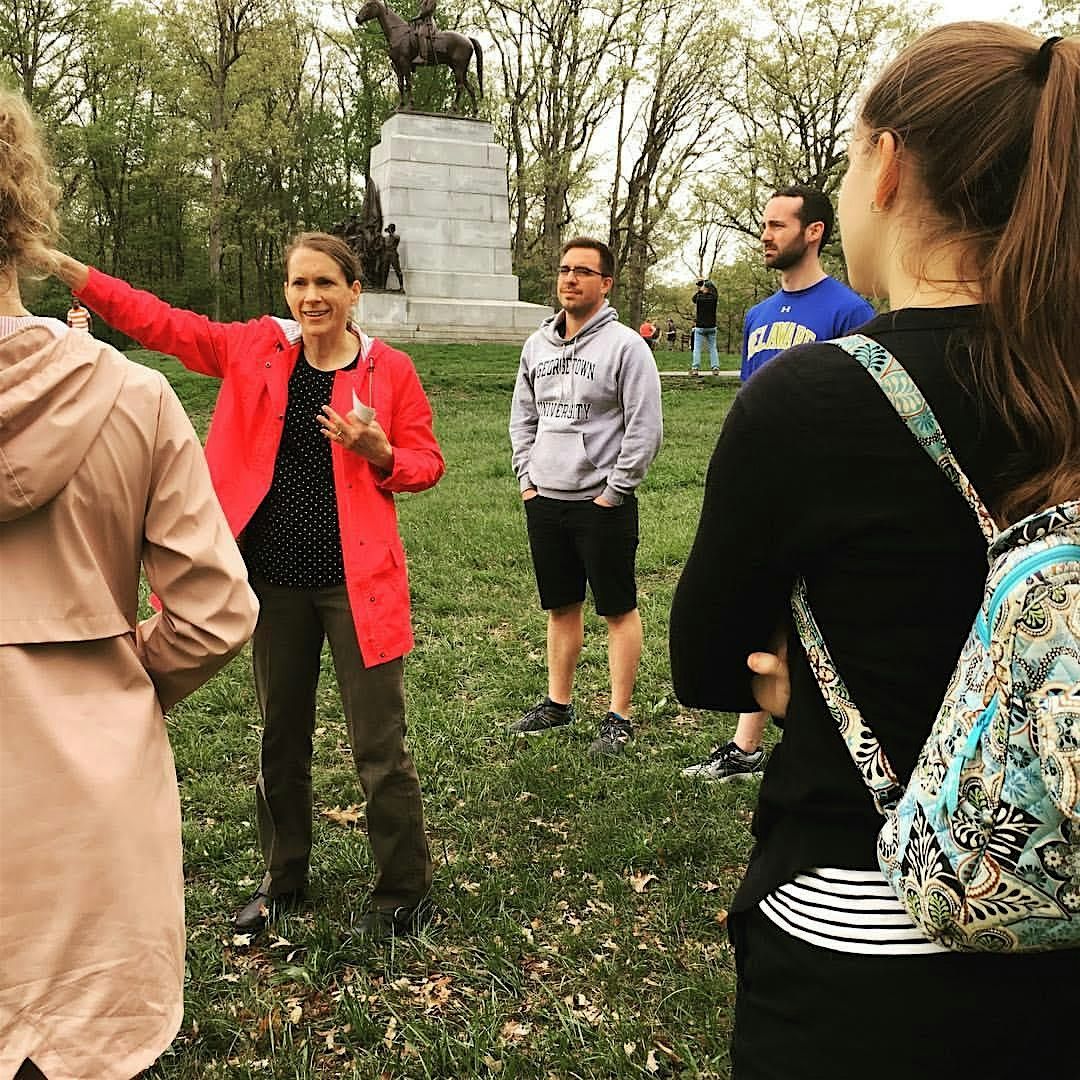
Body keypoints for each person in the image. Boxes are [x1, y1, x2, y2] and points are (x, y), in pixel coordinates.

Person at [670, 24, 1078, 1079]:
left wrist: (796, 670)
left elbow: (706, 661)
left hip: (864, 941)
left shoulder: (809, 403)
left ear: (887, 165)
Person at [43, 230, 446, 944]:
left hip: (359, 588)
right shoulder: (256, 350)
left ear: (356, 292)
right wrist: (73, 272)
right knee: (279, 738)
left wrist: (381, 452)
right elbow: (163, 324)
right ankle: (283, 876)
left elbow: (426, 462)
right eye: (299, 284)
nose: (311, 297)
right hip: (273, 586)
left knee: (380, 746)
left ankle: (403, 891)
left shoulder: (392, 372)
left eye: (326, 283)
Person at [0, 90, 258, 1080]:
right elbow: (215, 611)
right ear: (21, 213)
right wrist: (118, 680)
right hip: (90, 833)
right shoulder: (135, 399)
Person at [682, 187, 874, 784]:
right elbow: (748, 403)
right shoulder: (759, 317)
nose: (765, 235)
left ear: (813, 232)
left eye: (776, 225)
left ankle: (839, 741)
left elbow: (864, 408)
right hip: (763, 488)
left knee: (824, 613)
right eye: (763, 225)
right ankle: (745, 747)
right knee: (757, 605)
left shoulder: (850, 312)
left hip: (824, 490)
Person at [509, 237, 662, 757]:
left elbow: (645, 428)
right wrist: (526, 479)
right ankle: (558, 702)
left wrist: (615, 490)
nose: (570, 279)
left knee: (617, 609)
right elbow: (522, 417)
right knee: (561, 606)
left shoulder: (626, 346)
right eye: (564, 269)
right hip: (545, 498)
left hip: (601, 502)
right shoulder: (536, 346)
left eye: (582, 272)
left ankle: (618, 715)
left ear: (606, 283)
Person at [690, 278, 719, 374]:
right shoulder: (714, 298)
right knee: (713, 348)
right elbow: (715, 290)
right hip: (711, 326)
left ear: (704, 288)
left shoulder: (699, 298)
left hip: (700, 327)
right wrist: (707, 281)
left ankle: (695, 368)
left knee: (697, 348)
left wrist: (700, 289)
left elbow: (693, 299)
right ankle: (715, 368)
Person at [383, 223, 404, 291]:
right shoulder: (386, 238)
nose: (389, 230)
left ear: (393, 229)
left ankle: (401, 286)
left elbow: (396, 238)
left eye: (391, 228)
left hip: (393, 254)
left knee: (398, 271)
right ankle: (383, 286)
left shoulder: (396, 237)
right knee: (385, 270)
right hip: (387, 254)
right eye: (389, 228)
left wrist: (391, 232)